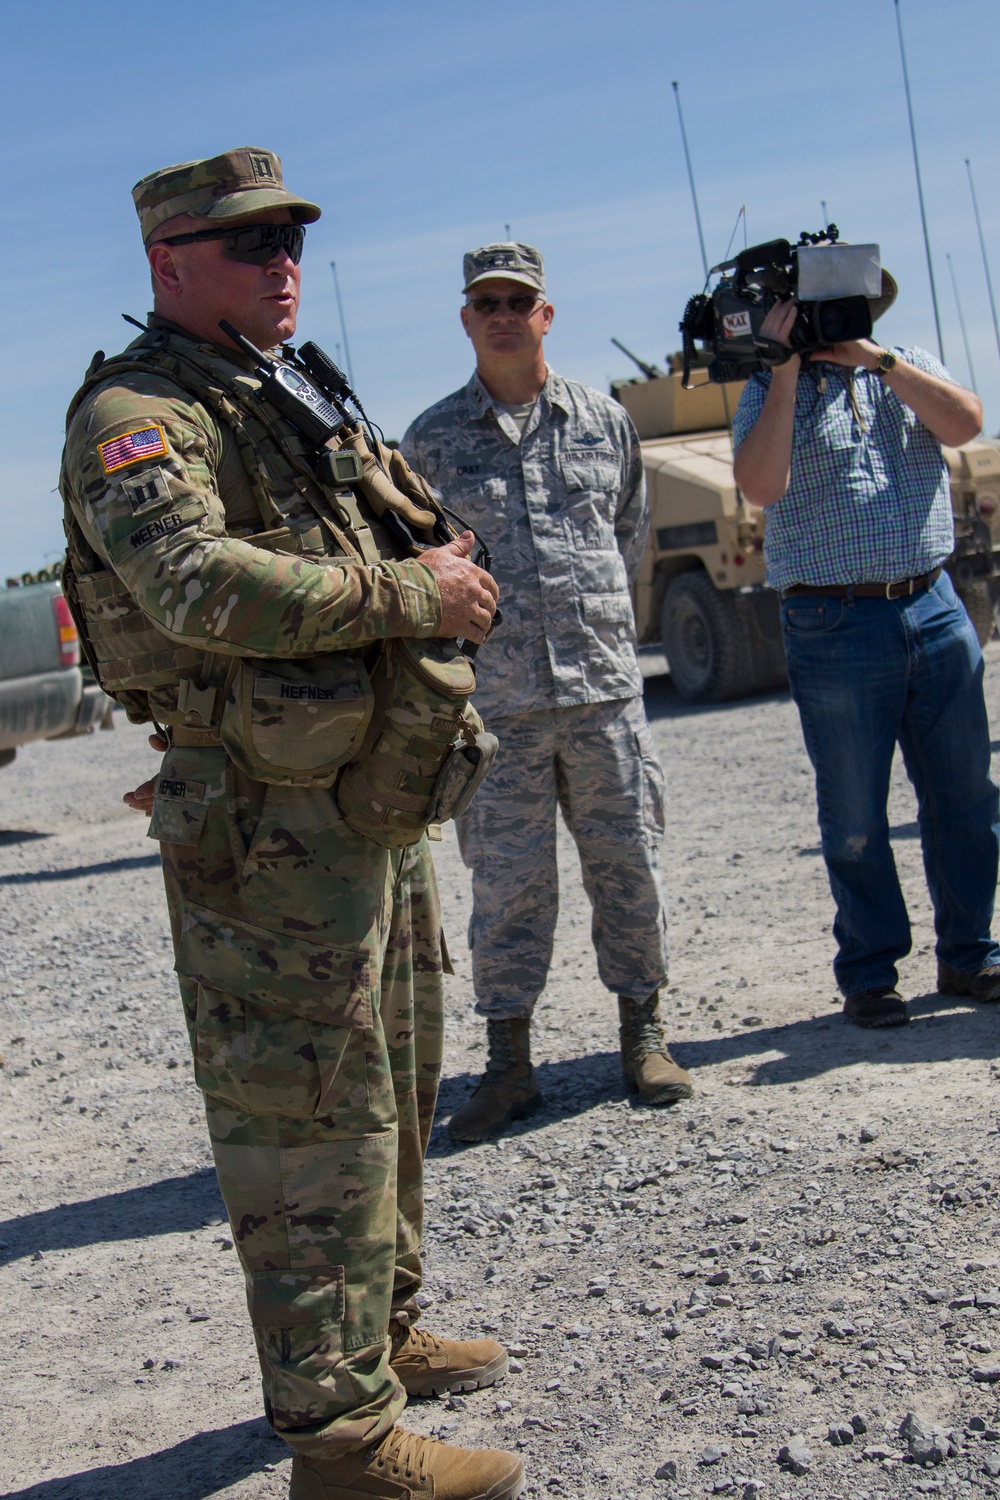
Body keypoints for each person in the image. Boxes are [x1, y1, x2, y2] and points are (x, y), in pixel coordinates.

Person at [60, 147, 525, 1500]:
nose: (282, 265)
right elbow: (195, 585)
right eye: (249, 244)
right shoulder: (138, 414)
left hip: (357, 802)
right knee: (305, 1114)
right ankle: (341, 1444)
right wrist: (407, 598)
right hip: (263, 833)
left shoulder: (279, 387)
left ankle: (374, 1345)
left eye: (290, 241)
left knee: (386, 1087)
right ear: (168, 264)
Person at [401, 242, 693, 1142]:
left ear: (545, 315)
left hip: (603, 693)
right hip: (499, 708)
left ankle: (643, 1034)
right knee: (508, 887)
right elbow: (415, 565)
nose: (501, 313)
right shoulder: (430, 442)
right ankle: (509, 1066)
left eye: (517, 300)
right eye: (484, 300)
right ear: (465, 319)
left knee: (628, 866)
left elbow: (627, 531)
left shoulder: (604, 424)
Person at [732, 268, 1000, 1028]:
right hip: (833, 622)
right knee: (854, 811)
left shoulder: (903, 365)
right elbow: (759, 484)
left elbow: (965, 424)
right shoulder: (764, 389)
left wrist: (876, 359)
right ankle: (870, 972)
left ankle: (971, 953)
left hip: (933, 604)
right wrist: (785, 377)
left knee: (966, 798)